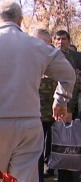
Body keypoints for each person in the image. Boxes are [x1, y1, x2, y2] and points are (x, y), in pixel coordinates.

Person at [0, 0, 75, 181]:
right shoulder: (37, 45)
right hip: (30, 121)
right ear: (20, 20)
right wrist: (60, 100)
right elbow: (68, 73)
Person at [53, 30, 81, 182]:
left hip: (64, 108)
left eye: (64, 39)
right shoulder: (48, 56)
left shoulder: (74, 58)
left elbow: (73, 85)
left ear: (69, 41)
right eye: (57, 39)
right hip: (45, 109)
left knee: (66, 144)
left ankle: (67, 177)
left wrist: (68, 108)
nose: (60, 42)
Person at [32, 29, 57, 181]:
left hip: (55, 113)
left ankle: (54, 170)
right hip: (35, 113)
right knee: (36, 149)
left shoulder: (56, 59)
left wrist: (66, 105)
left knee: (55, 145)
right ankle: (38, 177)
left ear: (48, 43)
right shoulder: (27, 59)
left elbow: (69, 81)